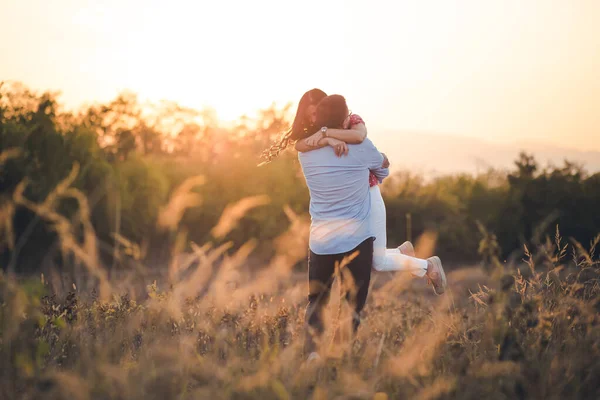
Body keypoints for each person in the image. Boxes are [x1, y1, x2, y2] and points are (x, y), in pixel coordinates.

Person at [295, 95, 447, 293]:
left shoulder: (352, 125)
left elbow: (367, 148)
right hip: (355, 197)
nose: (314, 120)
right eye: (310, 116)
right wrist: (328, 139)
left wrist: (328, 136)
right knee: (374, 260)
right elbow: (299, 145)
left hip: (370, 193)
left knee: (378, 262)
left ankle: (428, 266)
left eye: (316, 113)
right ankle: (404, 254)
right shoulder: (315, 140)